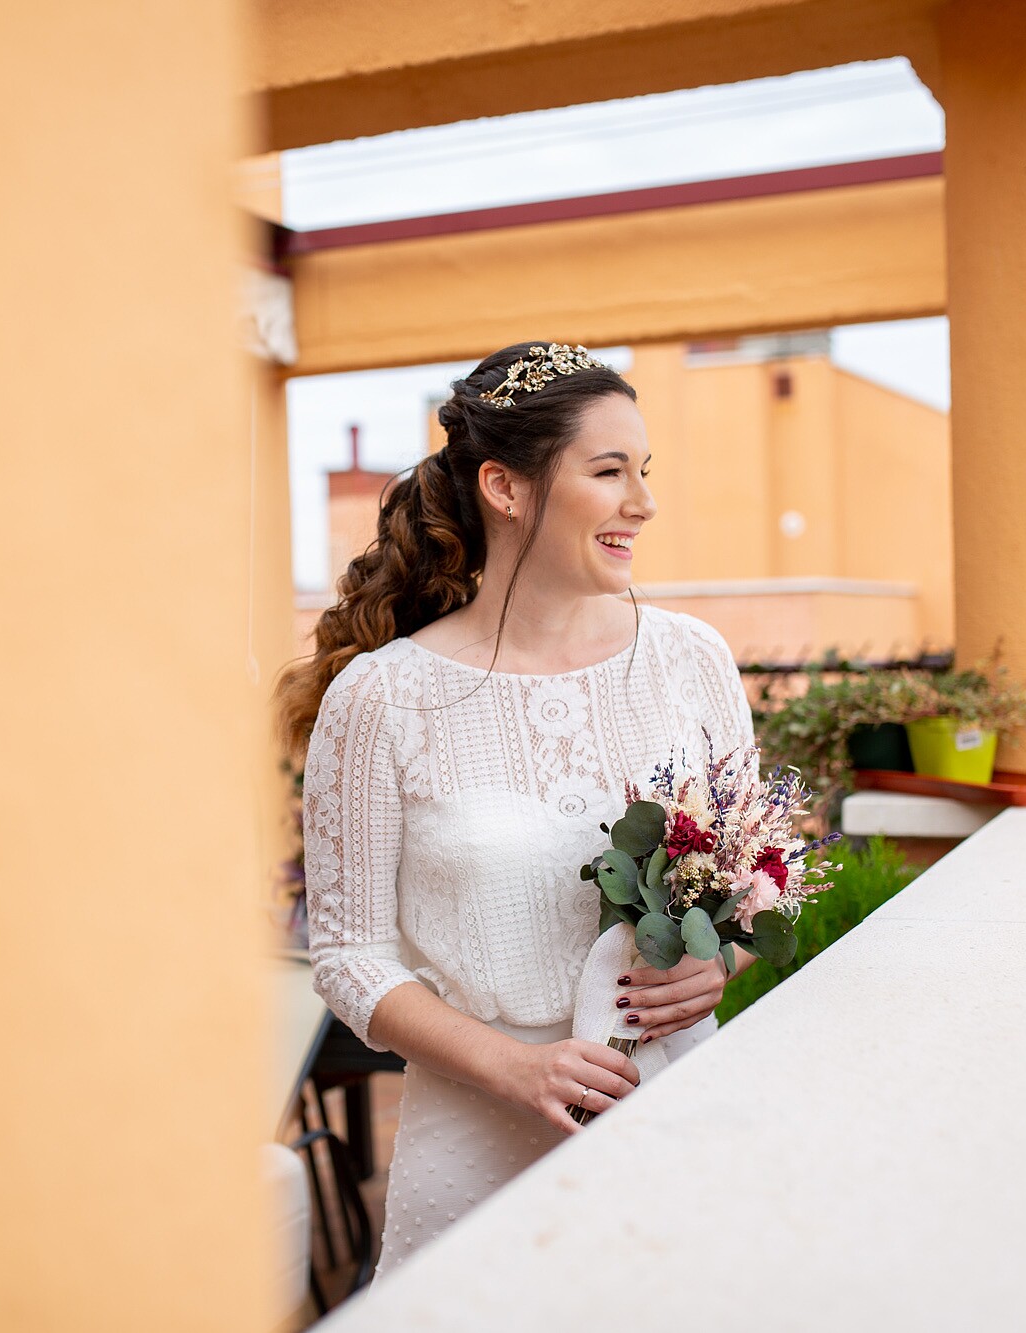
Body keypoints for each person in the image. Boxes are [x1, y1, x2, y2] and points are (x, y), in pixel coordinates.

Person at [274, 341, 761, 1279]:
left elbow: (748, 884)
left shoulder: (693, 660)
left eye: (644, 471)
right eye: (609, 471)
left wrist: (718, 963)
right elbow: (347, 957)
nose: (643, 503)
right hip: (472, 1140)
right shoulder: (381, 700)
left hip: (671, 1115)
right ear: (506, 486)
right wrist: (514, 1068)